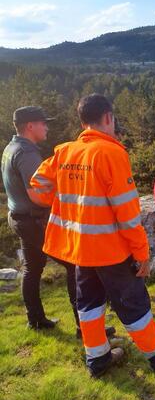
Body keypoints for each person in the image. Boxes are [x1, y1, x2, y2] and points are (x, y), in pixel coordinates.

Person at [30, 93, 155, 378]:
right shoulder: (111, 153)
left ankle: (98, 360)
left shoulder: (65, 151)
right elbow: (128, 213)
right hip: (109, 251)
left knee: (89, 304)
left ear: (83, 121)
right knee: (134, 304)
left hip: (79, 249)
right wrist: (141, 252)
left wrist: (69, 198)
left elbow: (38, 186)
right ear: (108, 118)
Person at [1, 106, 82, 332]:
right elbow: (37, 196)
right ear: (30, 126)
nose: (46, 126)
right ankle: (84, 326)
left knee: (33, 267)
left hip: (19, 218)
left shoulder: (11, 147)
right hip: (34, 220)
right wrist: (64, 202)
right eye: (43, 122)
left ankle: (36, 320)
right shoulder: (27, 153)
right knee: (74, 265)